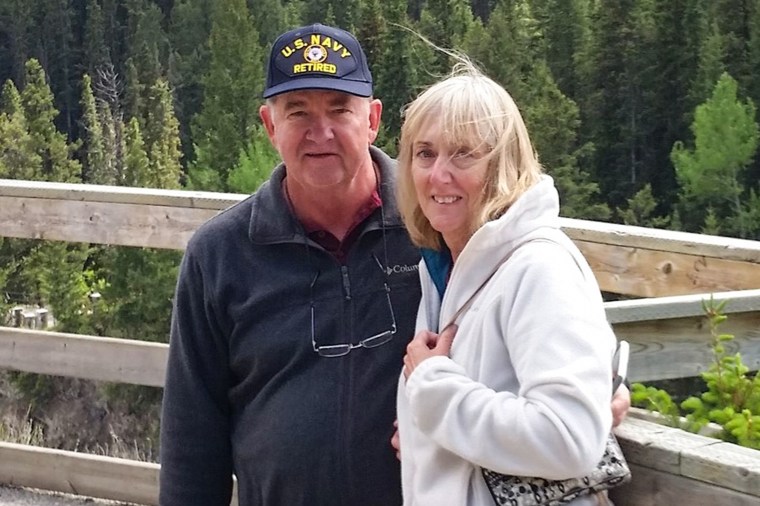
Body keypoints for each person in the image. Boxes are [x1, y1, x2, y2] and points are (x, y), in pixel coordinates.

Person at [159, 23, 630, 506]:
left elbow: (544, 317)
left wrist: (604, 384)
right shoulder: (221, 253)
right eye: (298, 112)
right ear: (269, 125)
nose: (320, 132)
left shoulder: (435, 228)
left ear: (372, 119)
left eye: (340, 109)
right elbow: (192, 431)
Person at [395, 61, 620, 505]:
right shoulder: (444, 266)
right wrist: (426, 429)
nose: (439, 174)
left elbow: (568, 438)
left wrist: (432, 389)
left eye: (463, 153)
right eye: (425, 153)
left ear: (502, 163)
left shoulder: (539, 268)